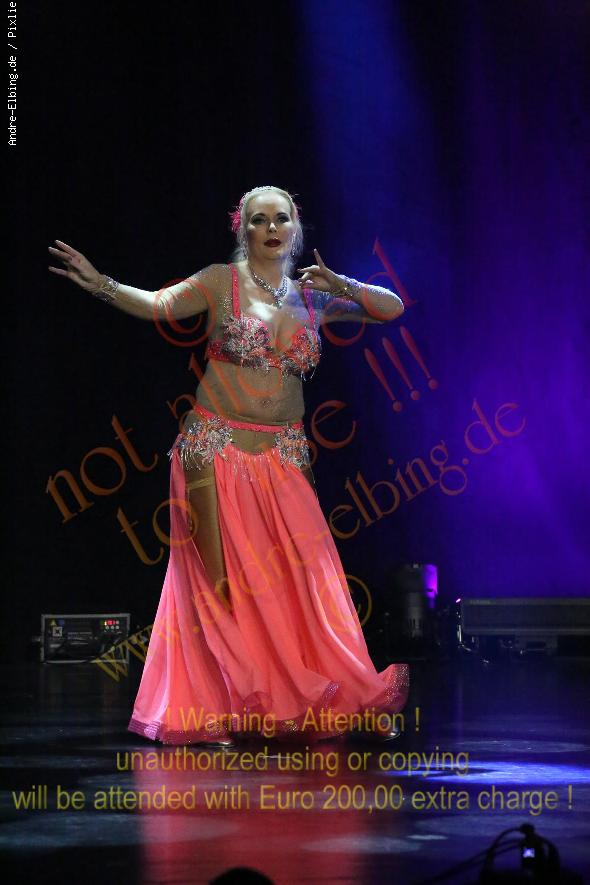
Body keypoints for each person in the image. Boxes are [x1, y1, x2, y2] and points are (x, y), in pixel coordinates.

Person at [48, 185, 409, 747]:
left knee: (305, 581)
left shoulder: (313, 297)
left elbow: (392, 308)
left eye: (281, 218)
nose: (271, 228)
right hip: (214, 451)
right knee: (221, 586)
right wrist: (101, 285)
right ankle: (221, 707)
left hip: (284, 453)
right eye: (259, 219)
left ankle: (337, 695)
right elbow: (158, 305)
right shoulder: (221, 281)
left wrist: (341, 284)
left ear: (295, 227)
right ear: (243, 228)